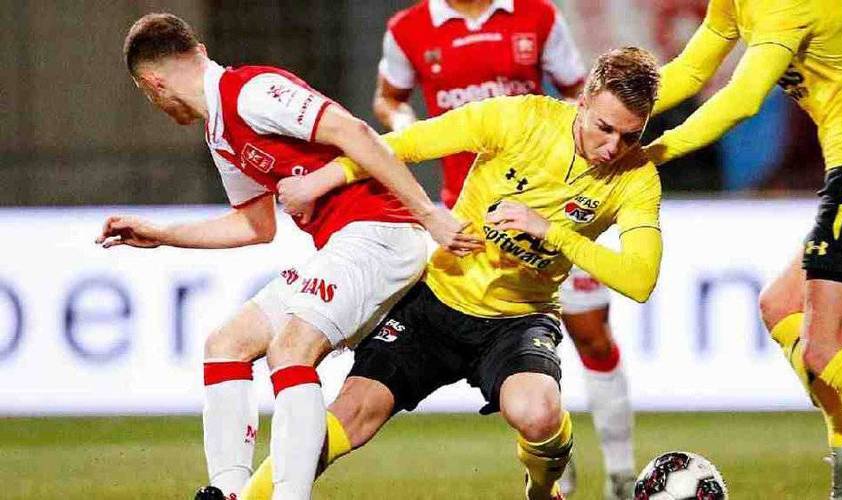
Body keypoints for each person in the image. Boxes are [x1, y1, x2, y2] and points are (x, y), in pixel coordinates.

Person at [241, 46, 662, 500]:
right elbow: (406, 144)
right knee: (351, 417)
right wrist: (323, 179)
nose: (613, 147)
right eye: (604, 128)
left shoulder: (636, 178)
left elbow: (639, 280)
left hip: (519, 318)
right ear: (583, 101)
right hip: (436, 300)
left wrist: (551, 232)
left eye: (630, 136)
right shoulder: (521, 119)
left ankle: (543, 491)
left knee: (538, 414)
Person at [100, 13, 481, 500]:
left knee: (290, 349)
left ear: (153, 84)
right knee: (226, 343)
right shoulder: (220, 133)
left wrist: (429, 215)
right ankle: (228, 491)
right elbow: (255, 226)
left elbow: (356, 132)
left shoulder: (253, 93)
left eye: (146, 94)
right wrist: (162, 235)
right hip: (346, 245)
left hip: (381, 234)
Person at [374, 1, 636, 495]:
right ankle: (552, 453)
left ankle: (621, 472)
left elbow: (582, 93)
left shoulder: (538, 16)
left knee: (593, 335)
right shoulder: (408, 29)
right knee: (500, 337)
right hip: (471, 218)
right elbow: (388, 98)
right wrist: (405, 121)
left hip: (555, 211)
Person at [644, 0, 842, 497]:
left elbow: (742, 99)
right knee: (781, 306)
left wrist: (649, 155)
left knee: (825, 344)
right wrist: (603, 112)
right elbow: (691, 69)